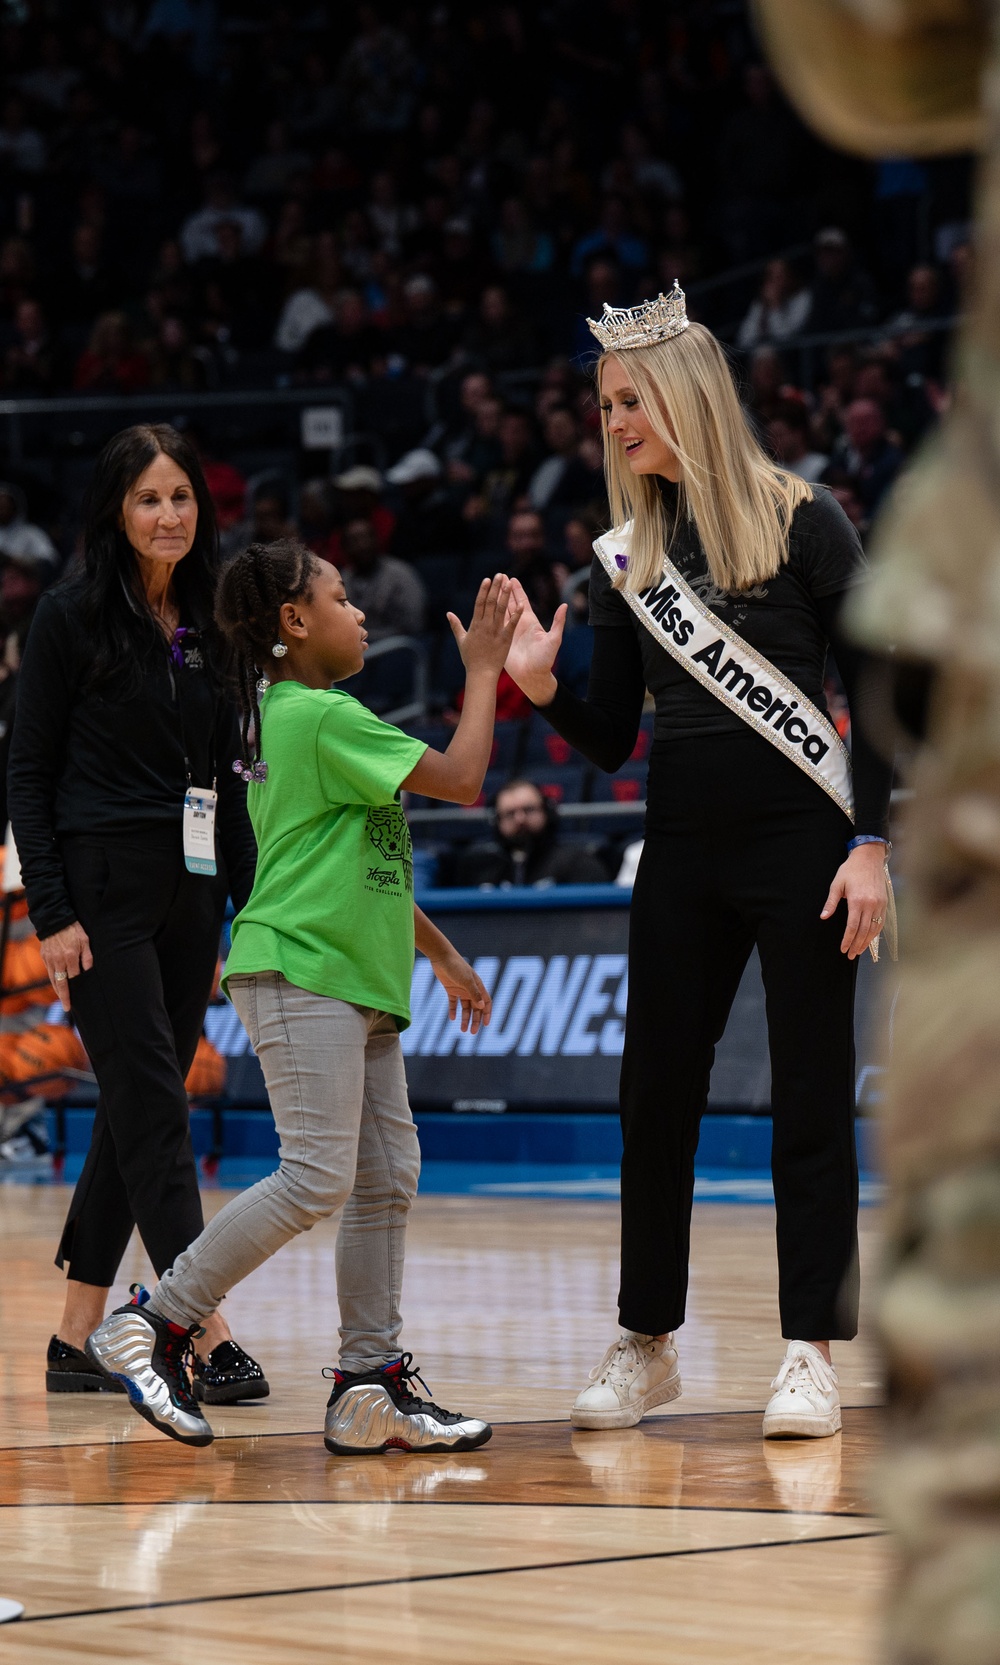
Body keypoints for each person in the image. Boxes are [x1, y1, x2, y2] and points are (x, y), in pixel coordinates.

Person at [504, 285, 893, 1440]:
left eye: (631, 400)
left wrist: (872, 841)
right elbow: (612, 733)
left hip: (806, 846)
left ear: (687, 396)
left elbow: (876, 693)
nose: (614, 422)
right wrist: (541, 689)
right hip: (677, 845)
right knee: (653, 1099)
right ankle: (646, 1341)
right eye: (606, 404)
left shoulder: (804, 516)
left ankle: (807, 1350)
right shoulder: (623, 556)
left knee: (810, 1097)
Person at [85, 551, 520, 1452]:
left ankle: (369, 1383)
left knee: (385, 1175)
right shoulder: (319, 714)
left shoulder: (291, 715)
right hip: (301, 967)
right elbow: (466, 777)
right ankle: (155, 1323)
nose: (359, 612)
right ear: (293, 620)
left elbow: (370, 861)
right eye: (340, 597)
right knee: (318, 1171)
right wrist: (482, 671)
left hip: (350, 975)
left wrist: (439, 953)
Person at [8, 423, 267, 1405]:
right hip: (100, 892)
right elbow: (26, 776)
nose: (169, 516)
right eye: (149, 499)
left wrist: (259, 906)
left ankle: (78, 1337)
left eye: (183, 498)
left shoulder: (209, 620)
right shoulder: (68, 618)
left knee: (134, 1105)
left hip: (191, 893)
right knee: (156, 1101)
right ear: (116, 513)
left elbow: (228, 782)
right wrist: (52, 912)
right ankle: (200, 1325)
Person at [447, 778, 608, 888]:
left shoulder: (578, 862)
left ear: (548, 812)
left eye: (529, 810)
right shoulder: (477, 868)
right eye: (510, 813)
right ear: (497, 821)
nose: (520, 819)